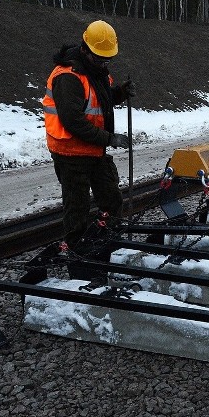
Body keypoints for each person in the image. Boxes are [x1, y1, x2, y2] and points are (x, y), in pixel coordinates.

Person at [42, 20, 135, 255]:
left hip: (94, 151)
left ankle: (108, 244)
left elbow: (99, 100)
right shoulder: (68, 77)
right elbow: (73, 121)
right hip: (71, 153)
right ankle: (77, 255)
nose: (104, 63)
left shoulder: (96, 70)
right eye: (99, 58)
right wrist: (109, 138)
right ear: (85, 49)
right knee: (77, 210)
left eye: (108, 59)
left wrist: (119, 93)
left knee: (112, 199)